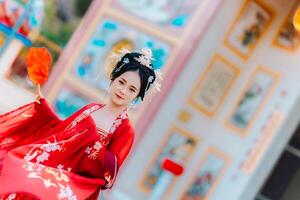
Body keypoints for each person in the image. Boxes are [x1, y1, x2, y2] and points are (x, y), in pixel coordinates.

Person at [0, 48, 160, 200]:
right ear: (113, 78)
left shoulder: (125, 130)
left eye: (132, 89)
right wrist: (45, 113)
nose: (123, 91)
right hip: (49, 172)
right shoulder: (90, 109)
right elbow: (61, 134)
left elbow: (109, 177)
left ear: (137, 97)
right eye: (122, 82)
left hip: (73, 189)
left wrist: (93, 140)